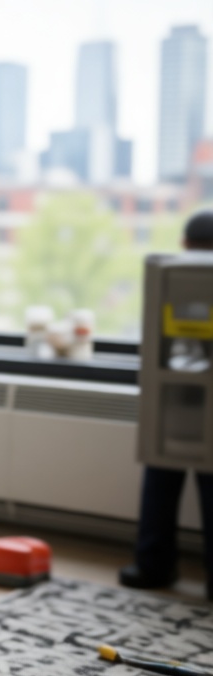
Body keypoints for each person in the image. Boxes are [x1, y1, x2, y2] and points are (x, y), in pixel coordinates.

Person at [120, 209, 213, 600]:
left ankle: (153, 565)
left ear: (185, 243)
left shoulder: (168, 275)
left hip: (170, 396)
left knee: (160, 481)